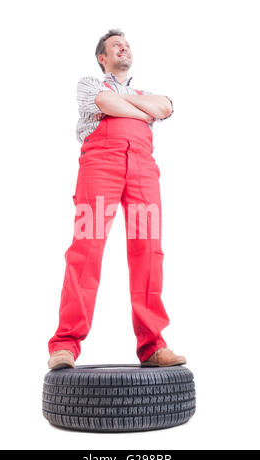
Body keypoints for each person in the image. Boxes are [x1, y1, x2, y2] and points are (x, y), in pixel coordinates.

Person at [47, 28, 187, 370]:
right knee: (87, 247)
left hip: (142, 169)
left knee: (148, 251)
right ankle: (65, 344)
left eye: (126, 44)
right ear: (102, 58)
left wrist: (132, 104)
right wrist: (143, 113)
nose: (123, 47)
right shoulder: (89, 84)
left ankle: (153, 346)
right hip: (100, 166)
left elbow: (165, 106)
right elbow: (106, 102)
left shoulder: (145, 92)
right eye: (115, 45)